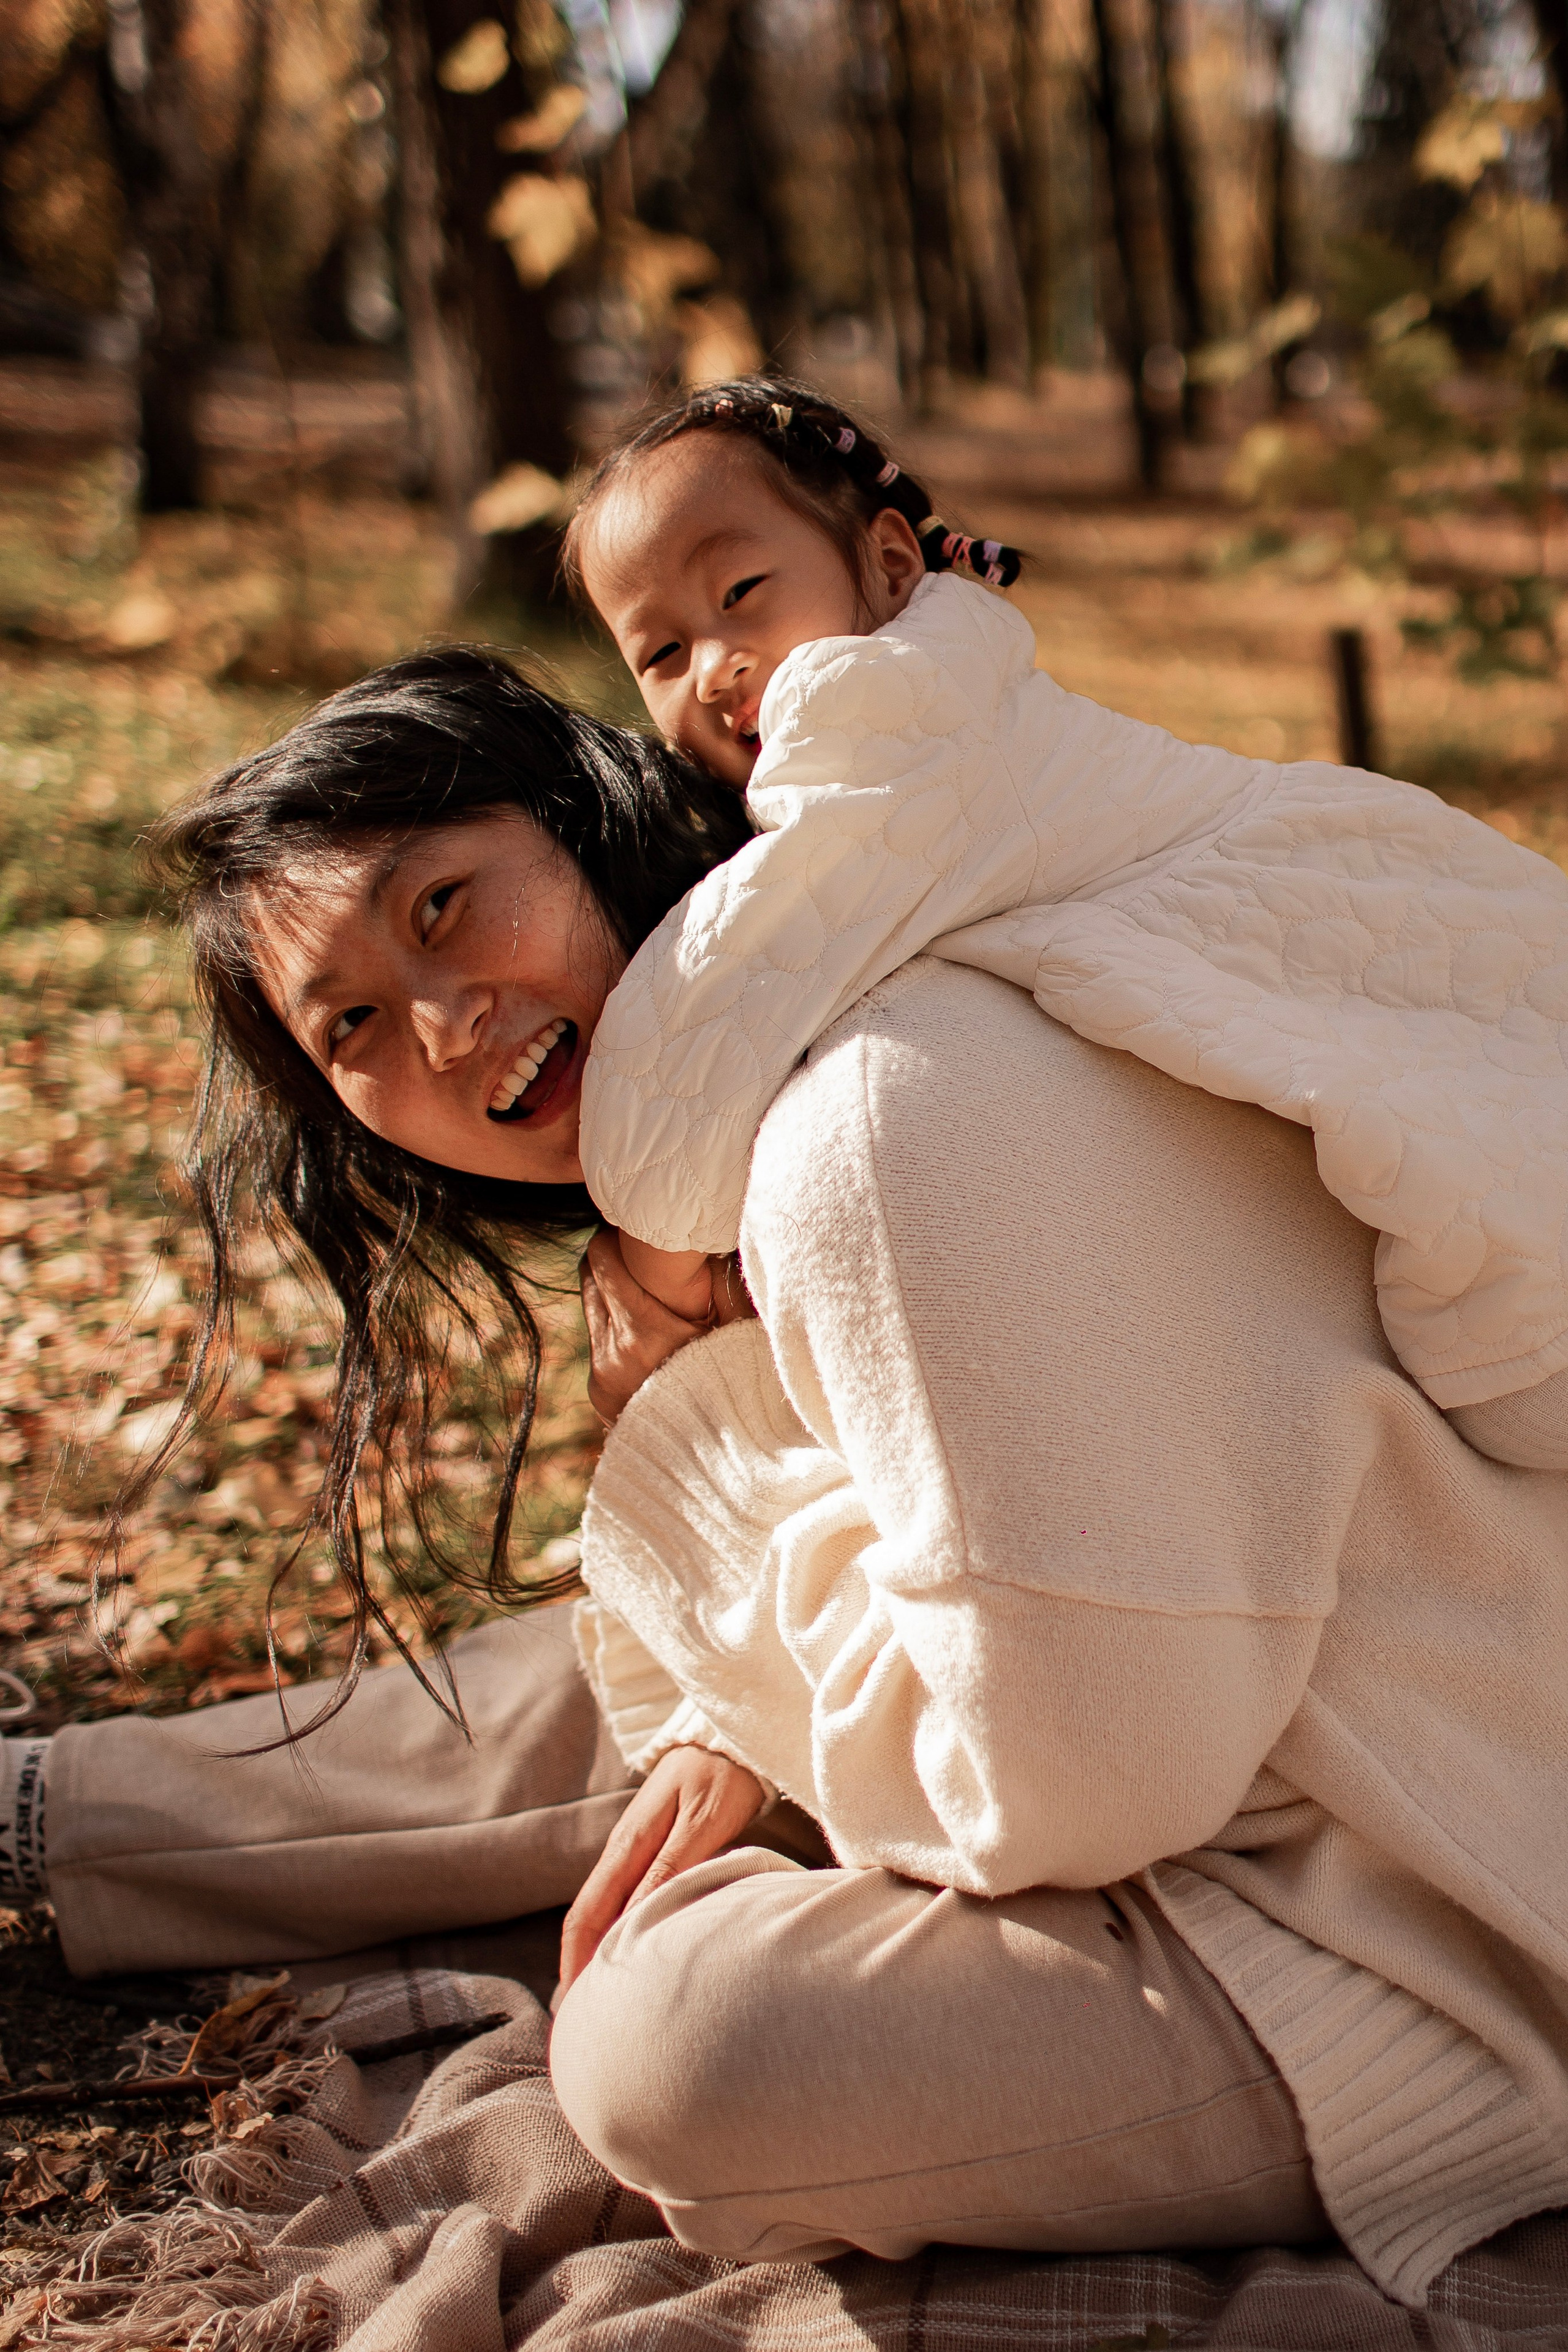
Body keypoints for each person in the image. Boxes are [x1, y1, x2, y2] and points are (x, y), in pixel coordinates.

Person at [2, 647, 1566, 2316]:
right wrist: (723, 1686)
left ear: (584, 824)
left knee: (667, 2050)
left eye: (446, 906)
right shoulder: (781, 1095)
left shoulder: (863, 1126)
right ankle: (38, 1819)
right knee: (640, 1687)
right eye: (356, 1030)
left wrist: (706, 1482)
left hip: (1432, 1925)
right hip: (1249, 1710)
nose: (447, 1032)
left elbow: (1081, 1792)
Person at [565, 375, 1568, 1471]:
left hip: (1326, 910)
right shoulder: (952, 696)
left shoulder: (885, 721)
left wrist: (645, 1256)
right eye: (659, 654)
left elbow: (723, 1005)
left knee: (1514, 1307)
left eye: (743, 591)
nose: (714, 667)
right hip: (1345, 870)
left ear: (893, 565)